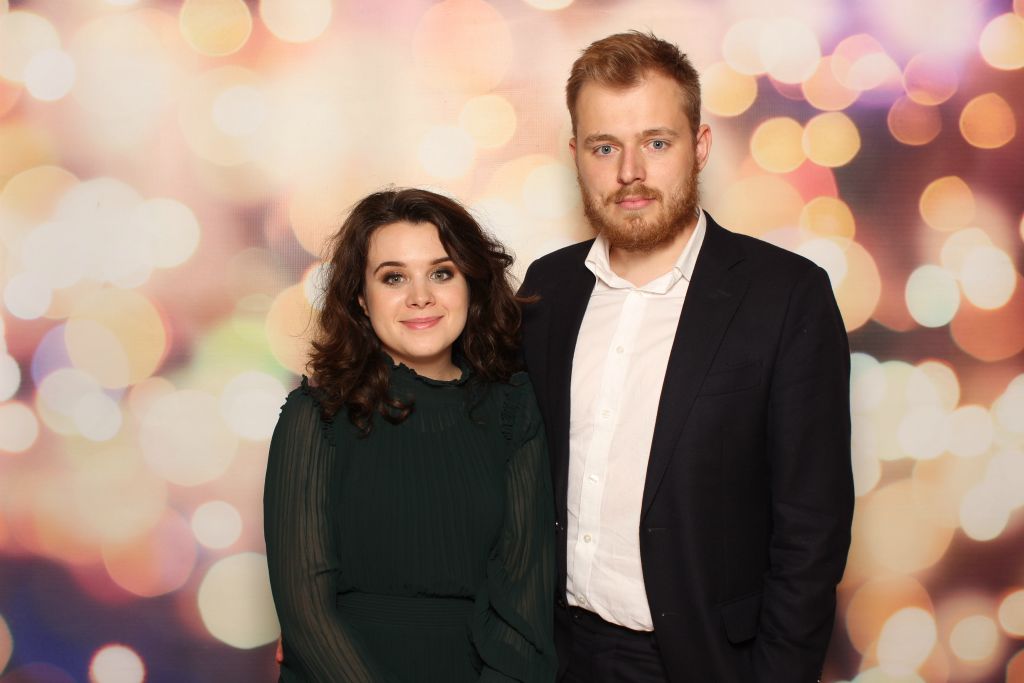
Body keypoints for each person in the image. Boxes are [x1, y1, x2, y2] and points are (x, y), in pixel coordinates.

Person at [518, 32, 854, 682]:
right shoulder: (547, 288)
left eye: (656, 142)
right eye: (604, 146)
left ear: (699, 147)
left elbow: (811, 530)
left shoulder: (787, 297)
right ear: (575, 154)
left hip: (705, 662)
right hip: (557, 656)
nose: (630, 172)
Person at [264, 188, 557, 683]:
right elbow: (306, 616)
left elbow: (525, 611)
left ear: (471, 284)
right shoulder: (316, 416)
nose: (421, 296)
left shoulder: (514, 410)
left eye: (441, 273)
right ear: (361, 297)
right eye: (394, 277)